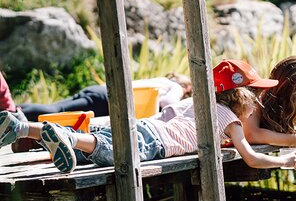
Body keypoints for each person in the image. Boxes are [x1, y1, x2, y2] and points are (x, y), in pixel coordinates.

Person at [0, 59, 296, 173]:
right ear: (241, 96)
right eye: (256, 94)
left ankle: (23, 127)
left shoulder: (196, 103)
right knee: (107, 150)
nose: (259, 101)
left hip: (144, 126)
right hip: (155, 143)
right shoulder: (229, 119)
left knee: (98, 142)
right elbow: (251, 158)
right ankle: (63, 136)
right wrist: (283, 160)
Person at [242, 55, 296, 156]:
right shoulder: (255, 98)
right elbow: (251, 134)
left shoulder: (292, 108)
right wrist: (293, 140)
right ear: (283, 95)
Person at [18, 73, 193, 121]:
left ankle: (15, 111)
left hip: (100, 91)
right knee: (56, 111)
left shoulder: (161, 81)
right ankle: (12, 111)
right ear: (187, 87)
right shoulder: (177, 87)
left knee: (58, 107)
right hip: (107, 100)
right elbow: (167, 103)